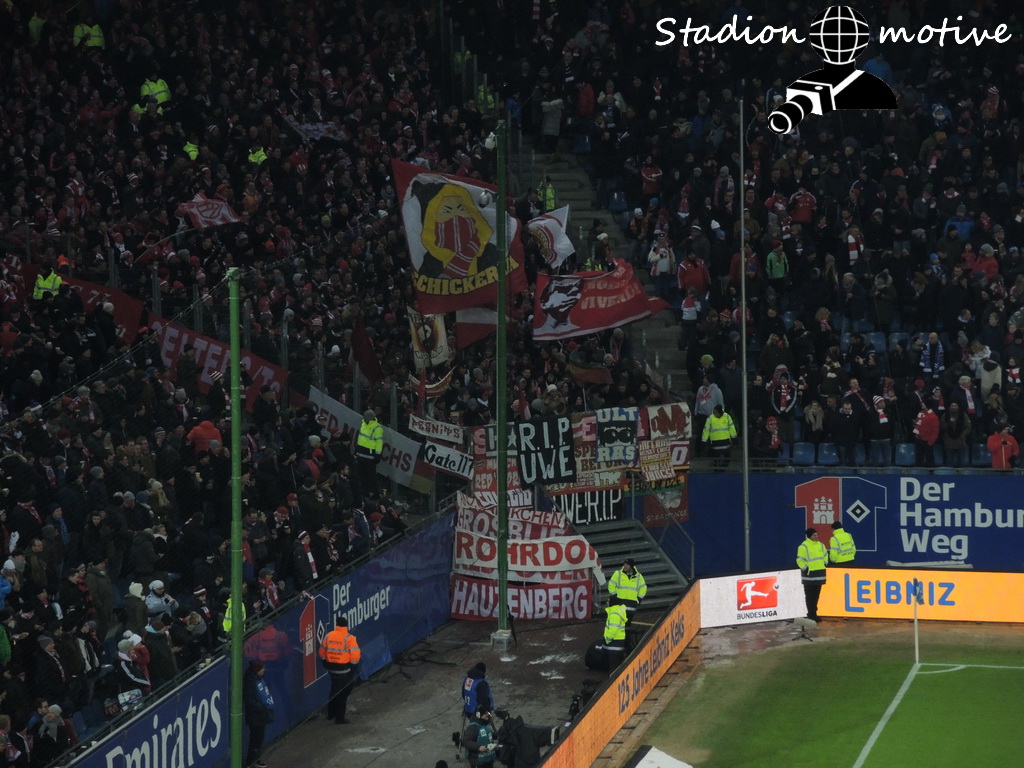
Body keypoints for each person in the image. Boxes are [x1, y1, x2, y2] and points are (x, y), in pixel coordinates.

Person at [319, 616, 361, 724]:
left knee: (334, 690)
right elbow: (355, 656)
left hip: (331, 668)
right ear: (346, 626)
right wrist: (352, 668)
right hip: (344, 670)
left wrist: (325, 662)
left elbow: (322, 652)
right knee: (343, 694)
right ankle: (340, 718)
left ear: (336, 624)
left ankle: (331, 714)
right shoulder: (350, 638)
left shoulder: (328, 636)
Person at [244, 660, 275, 768]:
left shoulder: (257, 679)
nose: (264, 670)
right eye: (262, 668)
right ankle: (250, 763)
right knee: (255, 740)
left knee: (258, 740)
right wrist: (262, 708)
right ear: (257, 670)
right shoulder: (250, 682)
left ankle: (256, 760)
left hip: (259, 716)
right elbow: (250, 701)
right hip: (254, 717)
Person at [796, 528, 828, 622]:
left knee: (816, 596)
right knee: (810, 596)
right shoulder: (803, 546)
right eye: (814, 535)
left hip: (819, 575)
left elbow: (825, 555)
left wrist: (825, 563)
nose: (816, 536)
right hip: (809, 577)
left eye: (817, 534)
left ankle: (813, 613)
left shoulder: (821, 545)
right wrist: (806, 568)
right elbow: (799, 560)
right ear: (809, 536)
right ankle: (811, 614)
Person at [352, 410, 383, 500]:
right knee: (362, 475)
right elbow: (361, 438)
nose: (363, 417)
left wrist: (377, 455)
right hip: (362, 454)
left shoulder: (377, 428)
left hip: (370, 456)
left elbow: (379, 442)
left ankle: (375, 494)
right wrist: (357, 450)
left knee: (371, 476)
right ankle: (365, 492)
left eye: (365, 416)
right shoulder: (363, 424)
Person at [607, 559, 647, 624]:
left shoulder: (639, 577)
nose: (625, 566)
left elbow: (643, 588)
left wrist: (639, 599)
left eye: (627, 564)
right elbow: (611, 585)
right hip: (619, 604)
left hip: (631, 605)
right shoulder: (618, 574)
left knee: (627, 624)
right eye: (624, 564)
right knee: (617, 623)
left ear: (631, 566)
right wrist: (614, 596)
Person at [701, 404, 737, 471]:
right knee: (716, 460)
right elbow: (706, 431)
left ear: (720, 412)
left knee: (727, 459)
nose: (714, 413)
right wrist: (704, 441)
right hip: (715, 444)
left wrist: (734, 438)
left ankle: (720, 470)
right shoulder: (710, 418)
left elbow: (732, 428)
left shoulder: (727, 417)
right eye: (714, 412)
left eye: (716, 412)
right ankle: (717, 471)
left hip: (725, 443)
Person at [603, 597, 628, 670]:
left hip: (614, 644)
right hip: (618, 643)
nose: (606, 603)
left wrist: (608, 639)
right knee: (616, 665)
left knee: (613, 668)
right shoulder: (617, 612)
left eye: (608, 601)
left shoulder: (614, 614)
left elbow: (613, 630)